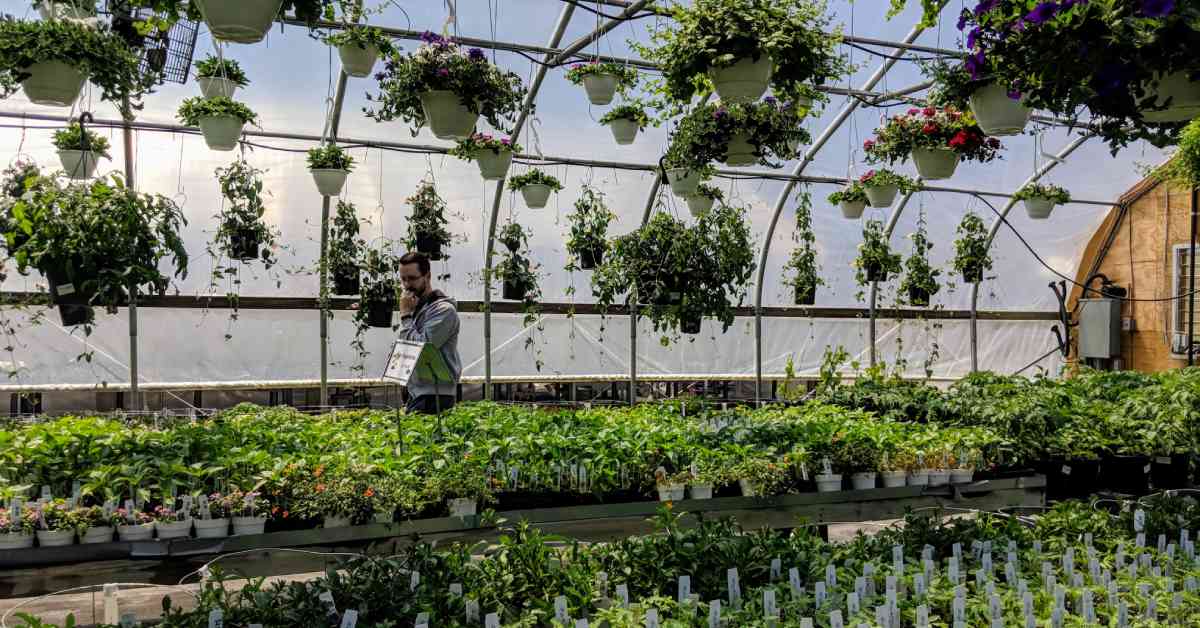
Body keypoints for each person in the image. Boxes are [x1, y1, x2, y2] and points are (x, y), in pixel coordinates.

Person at [397, 251, 461, 414]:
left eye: (412, 278)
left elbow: (420, 349)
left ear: (427, 276)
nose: (406, 285)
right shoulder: (417, 309)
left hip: (434, 396)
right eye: (403, 279)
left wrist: (405, 316)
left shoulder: (444, 310)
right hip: (419, 394)